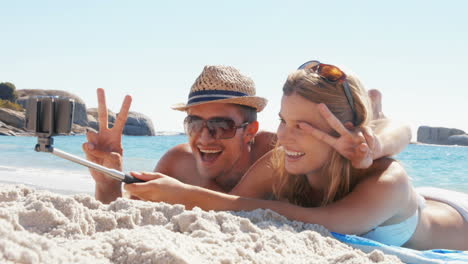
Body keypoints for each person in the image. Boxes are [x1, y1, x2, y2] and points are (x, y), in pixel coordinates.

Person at [123, 61, 468, 250]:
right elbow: (231, 204)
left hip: (454, 214)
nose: (284, 136)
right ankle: (372, 115)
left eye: (303, 126)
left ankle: (373, 116)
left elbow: (329, 222)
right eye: (284, 121)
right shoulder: (281, 161)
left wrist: (187, 194)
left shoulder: (387, 181)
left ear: (342, 129)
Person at [84, 65, 410, 204]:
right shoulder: (176, 163)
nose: (205, 137)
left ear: (250, 130)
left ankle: (375, 105)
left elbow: (398, 133)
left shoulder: (279, 152)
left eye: (222, 126)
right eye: (195, 124)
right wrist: (107, 181)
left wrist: (374, 142)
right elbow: (123, 214)